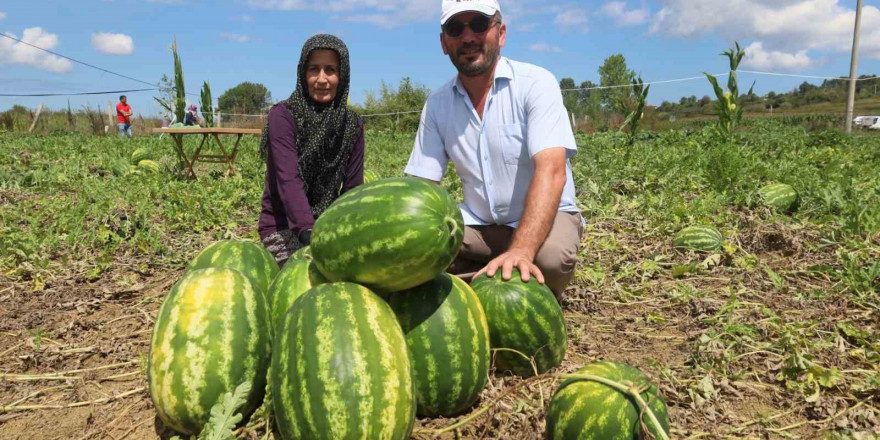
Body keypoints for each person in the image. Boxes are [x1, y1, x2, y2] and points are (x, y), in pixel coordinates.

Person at [405, 0, 582, 297]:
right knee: (413, 252)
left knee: (549, 261)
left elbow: (551, 173)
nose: (468, 37)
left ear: (500, 33)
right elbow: (421, 186)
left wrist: (523, 250)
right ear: (444, 43)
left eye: (478, 25)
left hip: (546, 217)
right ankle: (490, 274)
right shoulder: (437, 104)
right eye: (455, 29)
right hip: (479, 225)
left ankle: (490, 274)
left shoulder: (536, 84)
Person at [258, 34, 364, 265]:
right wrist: (309, 231)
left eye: (331, 70)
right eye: (314, 69)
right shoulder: (283, 116)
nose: (322, 79)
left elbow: (353, 188)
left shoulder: (352, 124)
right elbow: (288, 180)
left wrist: (345, 232)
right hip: (283, 227)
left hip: (329, 225)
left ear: (342, 75)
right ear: (303, 74)